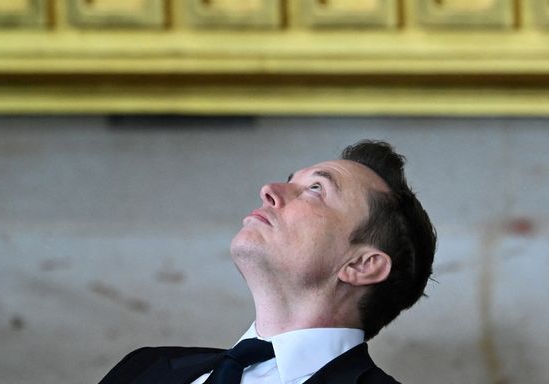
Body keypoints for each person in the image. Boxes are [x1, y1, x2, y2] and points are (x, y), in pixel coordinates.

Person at [99, 140, 437, 384]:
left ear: (362, 264)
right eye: (292, 181)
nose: (269, 190)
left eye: (316, 189)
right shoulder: (144, 368)